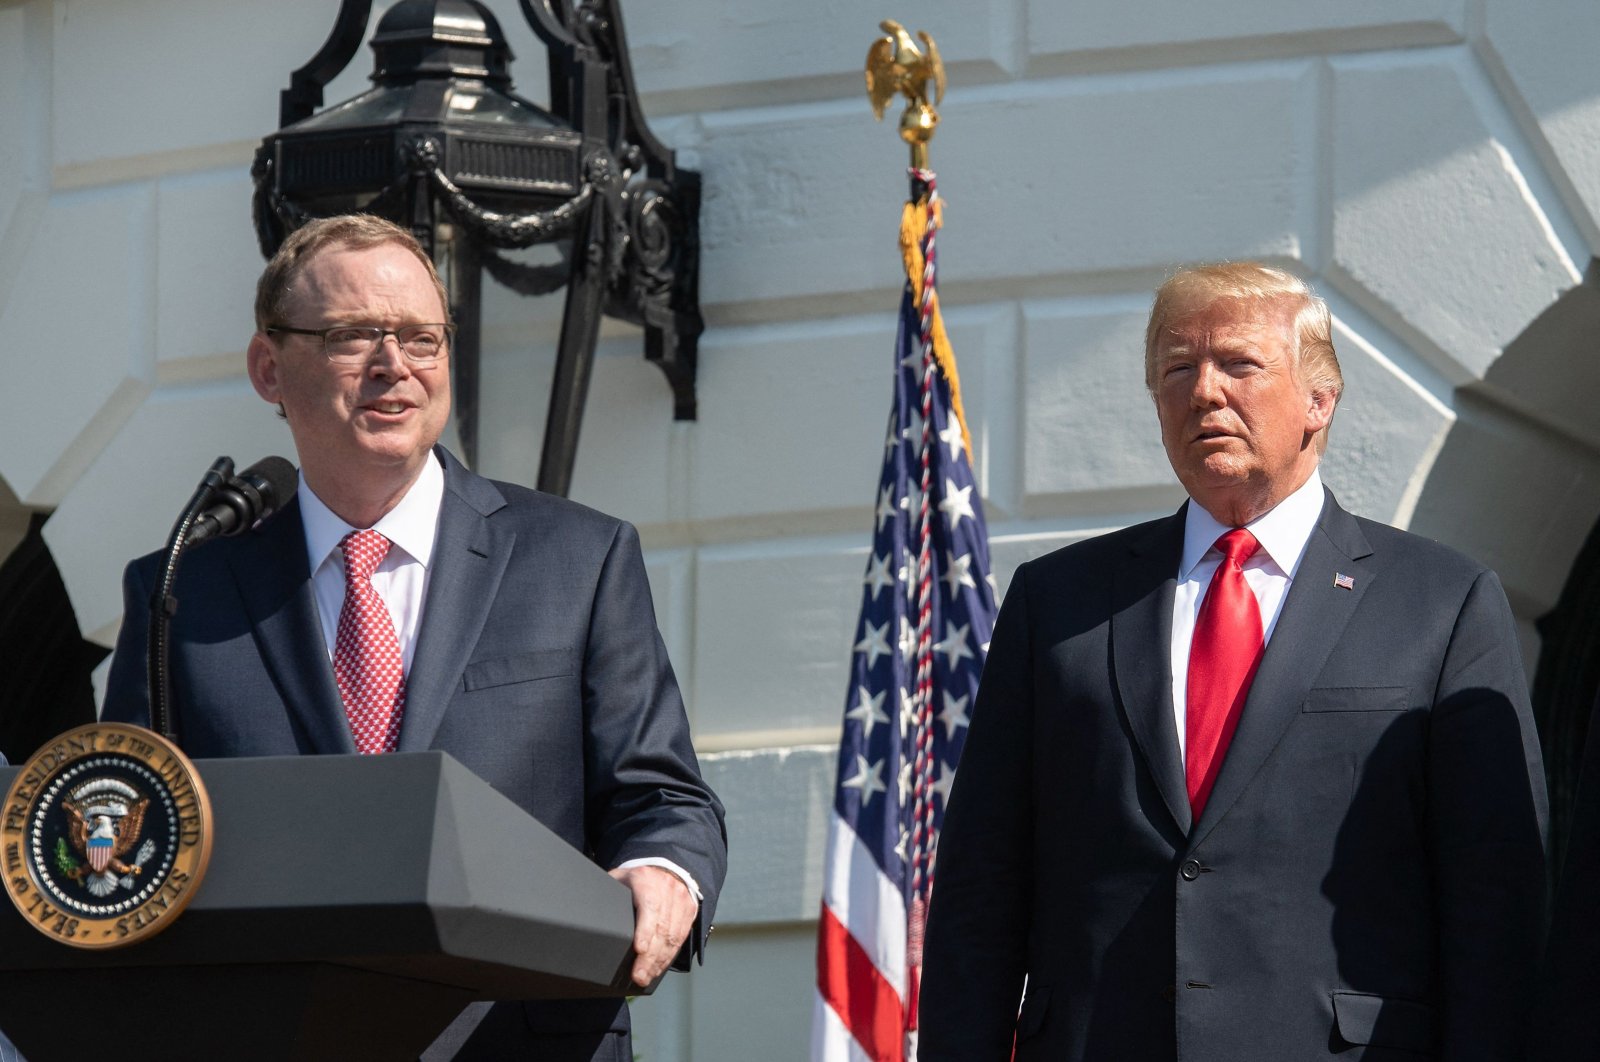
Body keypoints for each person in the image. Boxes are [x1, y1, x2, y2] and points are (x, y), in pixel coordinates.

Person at [101, 214, 725, 1062]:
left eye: (422, 338)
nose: (396, 366)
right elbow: (132, 840)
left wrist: (663, 874)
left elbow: (662, 797)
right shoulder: (182, 592)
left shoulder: (578, 558)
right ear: (269, 368)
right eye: (355, 335)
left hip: (517, 1039)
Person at [918, 262, 1547, 1060]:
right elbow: (982, 887)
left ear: (1320, 400)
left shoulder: (1441, 603)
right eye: (1178, 370)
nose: (1205, 393)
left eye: (1239, 365)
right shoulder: (1060, 603)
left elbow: (1496, 904)